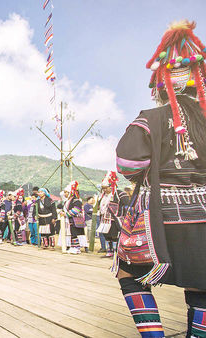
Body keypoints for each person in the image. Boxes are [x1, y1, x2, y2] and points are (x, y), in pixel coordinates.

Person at [115, 20, 206, 337]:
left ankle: (154, 336)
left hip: (161, 219)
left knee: (129, 271)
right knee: (202, 279)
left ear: (161, 85)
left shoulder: (151, 118)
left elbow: (127, 163)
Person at [96, 171, 128, 257]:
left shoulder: (119, 194)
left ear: (112, 186)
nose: (105, 190)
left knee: (114, 235)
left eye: (106, 188)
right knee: (106, 235)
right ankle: (109, 251)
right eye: (103, 188)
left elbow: (127, 206)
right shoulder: (102, 196)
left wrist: (123, 216)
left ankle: (116, 252)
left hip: (114, 220)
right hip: (104, 219)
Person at [62, 181, 85, 255]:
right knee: (72, 233)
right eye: (64, 192)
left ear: (71, 193)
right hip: (70, 220)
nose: (65, 194)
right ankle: (73, 247)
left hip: (76, 220)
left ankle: (77, 248)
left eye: (66, 192)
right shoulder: (67, 201)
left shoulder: (76, 200)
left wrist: (66, 214)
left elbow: (76, 210)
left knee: (75, 233)